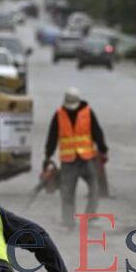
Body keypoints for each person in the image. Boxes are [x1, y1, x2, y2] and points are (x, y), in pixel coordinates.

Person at [43, 87, 108, 228]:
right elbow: (52, 136)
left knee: (94, 188)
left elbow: (97, 132)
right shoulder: (59, 115)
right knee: (67, 193)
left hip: (87, 159)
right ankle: (68, 221)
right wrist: (48, 155)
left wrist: (103, 149)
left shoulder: (88, 113)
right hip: (69, 162)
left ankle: (89, 216)